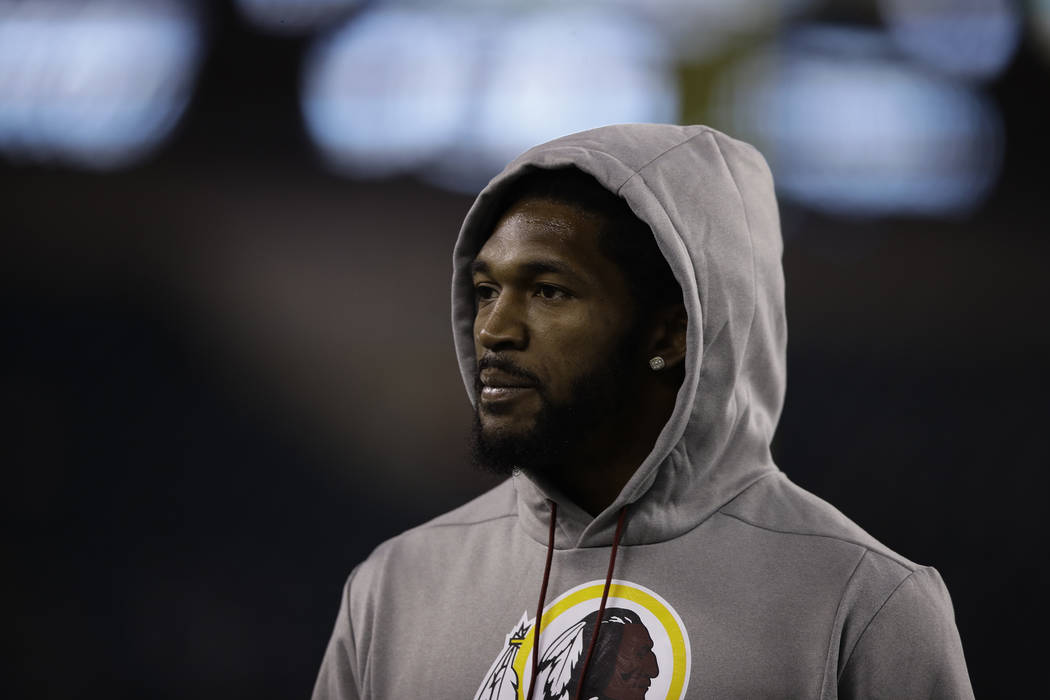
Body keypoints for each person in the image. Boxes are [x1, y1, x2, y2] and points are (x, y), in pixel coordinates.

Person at [312, 124, 974, 699]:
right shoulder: (394, 587)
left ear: (671, 332)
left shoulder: (864, 603)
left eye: (547, 290)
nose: (494, 329)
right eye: (486, 290)